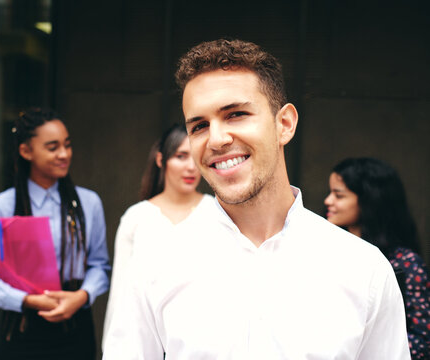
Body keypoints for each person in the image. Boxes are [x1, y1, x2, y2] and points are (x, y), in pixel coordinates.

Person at [102, 39, 410, 359]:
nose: (217, 139)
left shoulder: (364, 269)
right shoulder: (156, 263)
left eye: (235, 114)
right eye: (199, 126)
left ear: (284, 124)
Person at [0, 108, 110, 359]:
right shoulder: (1, 207)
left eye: (67, 145)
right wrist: (27, 300)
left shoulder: (88, 203)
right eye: (53, 148)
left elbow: (100, 266)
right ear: (26, 151)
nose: (64, 154)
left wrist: (82, 296)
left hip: (76, 327)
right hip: (22, 328)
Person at [102, 124, 214, 349]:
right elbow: (121, 290)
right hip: (144, 341)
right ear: (161, 160)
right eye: (181, 156)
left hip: (202, 341)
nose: (191, 167)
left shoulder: (217, 213)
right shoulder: (137, 217)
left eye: (196, 157)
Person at [325, 157, 430, 359]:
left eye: (339, 195)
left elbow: (421, 341)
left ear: (369, 200)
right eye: (330, 193)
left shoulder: (406, 264)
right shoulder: (326, 251)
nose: (328, 201)